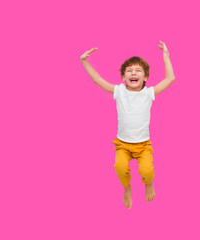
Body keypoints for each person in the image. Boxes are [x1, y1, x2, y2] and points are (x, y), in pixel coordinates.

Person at [80, 41, 175, 209]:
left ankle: (148, 183)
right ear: (123, 77)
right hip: (122, 144)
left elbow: (170, 78)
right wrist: (84, 61)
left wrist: (165, 55)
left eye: (138, 70)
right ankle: (127, 187)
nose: (133, 73)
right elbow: (97, 80)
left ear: (145, 77)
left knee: (147, 172)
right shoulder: (119, 91)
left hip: (143, 145)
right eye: (129, 71)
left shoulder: (148, 93)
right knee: (120, 168)